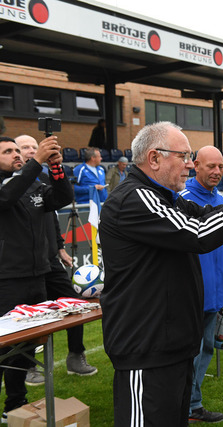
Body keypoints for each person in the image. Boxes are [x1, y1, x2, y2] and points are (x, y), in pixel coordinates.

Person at [99, 121, 223, 426]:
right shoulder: (135, 197)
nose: (188, 164)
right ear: (154, 158)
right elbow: (199, 233)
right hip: (146, 349)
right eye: (183, 156)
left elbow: (211, 216)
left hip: (172, 346)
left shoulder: (167, 197)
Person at [0, 135, 73, 419]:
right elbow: (7, 197)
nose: (16, 154)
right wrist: (37, 162)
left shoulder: (31, 182)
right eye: (8, 151)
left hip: (37, 275)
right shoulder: (13, 184)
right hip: (6, 279)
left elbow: (62, 198)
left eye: (17, 150)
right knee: (5, 347)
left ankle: (15, 405)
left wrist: (55, 168)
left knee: (26, 346)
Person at [15, 135, 98, 382]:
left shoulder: (41, 179)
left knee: (75, 302)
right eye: (25, 147)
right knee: (30, 315)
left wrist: (60, 247)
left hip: (49, 258)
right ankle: (29, 366)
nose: (31, 150)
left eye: (34, 146)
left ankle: (76, 355)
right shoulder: (11, 183)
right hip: (23, 264)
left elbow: (50, 214)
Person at [178, 146, 223, 423]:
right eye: (211, 166)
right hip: (192, 294)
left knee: (207, 348)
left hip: (216, 290)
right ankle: (185, 406)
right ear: (195, 165)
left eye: (221, 167)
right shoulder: (182, 199)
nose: (217, 172)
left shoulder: (220, 198)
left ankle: (192, 405)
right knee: (191, 353)